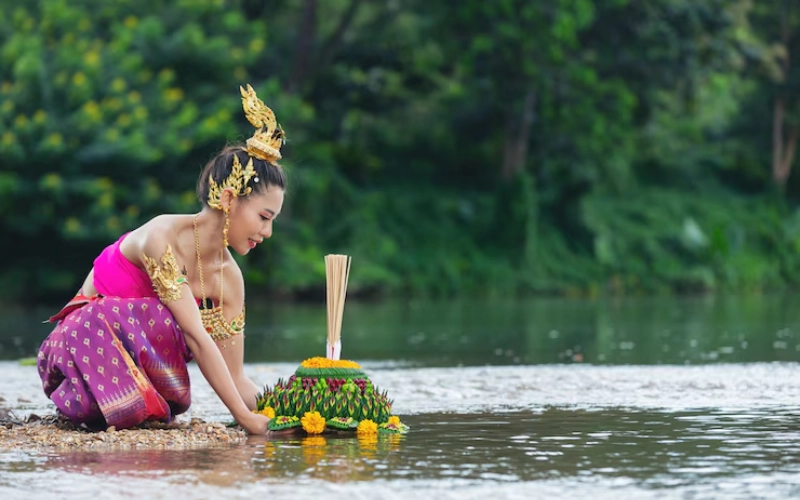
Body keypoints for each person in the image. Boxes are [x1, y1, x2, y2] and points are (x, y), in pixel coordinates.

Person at [36, 84, 286, 435]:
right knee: (162, 319)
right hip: (78, 361)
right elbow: (196, 337)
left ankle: (141, 412)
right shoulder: (161, 238)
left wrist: (293, 415)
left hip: (146, 381)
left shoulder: (230, 279)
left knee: (168, 324)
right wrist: (245, 421)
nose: (268, 232)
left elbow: (237, 378)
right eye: (264, 217)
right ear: (229, 199)